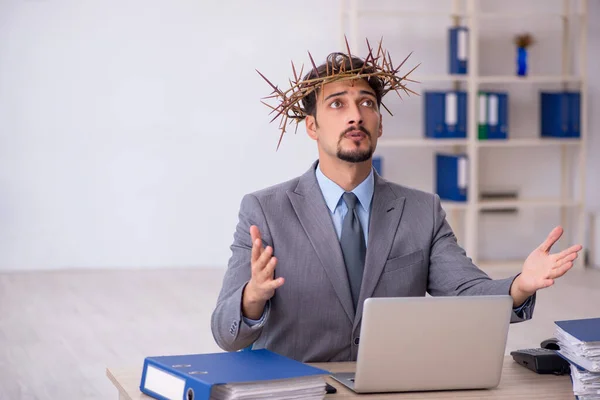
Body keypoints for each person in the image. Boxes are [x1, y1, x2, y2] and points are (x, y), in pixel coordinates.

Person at [210, 46, 583, 363]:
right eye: (337, 104)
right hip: (297, 389)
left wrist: (520, 285)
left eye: (366, 103)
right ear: (312, 126)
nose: (355, 115)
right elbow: (225, 334)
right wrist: (252, 298)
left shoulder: (421, 210)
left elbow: (466, 292)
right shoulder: (264, 211)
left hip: (389, 387)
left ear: (379, 124)